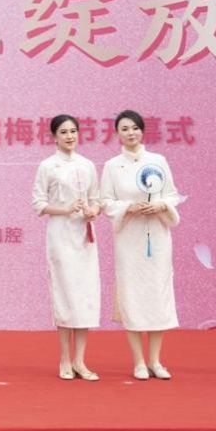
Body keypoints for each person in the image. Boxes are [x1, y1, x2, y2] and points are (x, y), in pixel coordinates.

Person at [100, 110, 181, 381]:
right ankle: (138, 361)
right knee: (132, 295)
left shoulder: (158, 161)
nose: (130, 133)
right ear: (117, 133)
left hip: (157, 236)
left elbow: (172, 194)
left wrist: (161, 205)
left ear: (142, 131)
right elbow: (106, 201)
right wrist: (128, 207)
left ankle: (156, 360)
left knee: (157, 295)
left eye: (134, 128)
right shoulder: (112, 166)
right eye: (124, 129)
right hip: (129, 239)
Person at [31, 114, 102, 381]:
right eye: (63, 132)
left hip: (84, 236)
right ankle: (64, 358)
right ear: (54, 137)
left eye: (73, 131)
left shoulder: (88, 165)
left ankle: (80, 361)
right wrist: (66, 209)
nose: (69, 136)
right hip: (61, 235)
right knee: (65, 295)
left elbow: (97, 200)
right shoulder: (47, 166)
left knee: (85, 296)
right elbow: (38, 203)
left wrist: (92, 211)